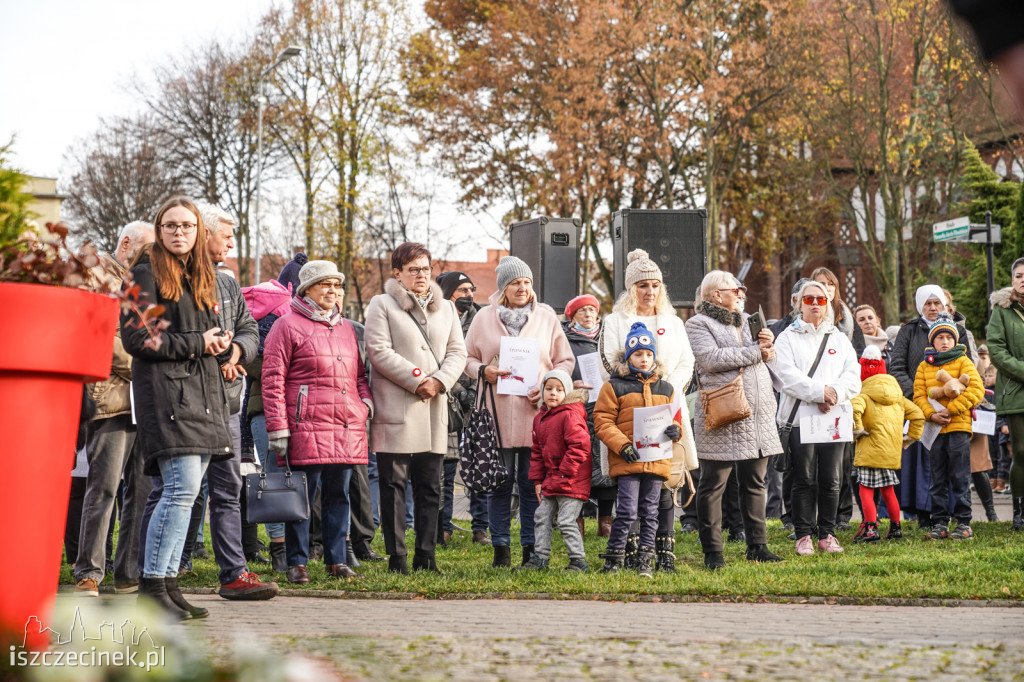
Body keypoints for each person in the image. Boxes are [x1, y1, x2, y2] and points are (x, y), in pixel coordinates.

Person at [122, 196, 239, 619]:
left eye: (186, 226)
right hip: (167, 397)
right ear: (160, 228)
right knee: (179, 491)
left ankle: (167, 585)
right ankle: (152, 587)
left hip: (202, 396)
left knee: (186, 496)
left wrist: (219, 342)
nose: (178, 233)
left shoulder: (198, 276)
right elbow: (140, 339)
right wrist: (198, 342)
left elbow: (197, 333)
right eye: (170, 225)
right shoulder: (142, 273)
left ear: (198, 232)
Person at [263, 261, 372, 583]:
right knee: (300, 497)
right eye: (325, 284)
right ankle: (297, 562)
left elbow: (360, 376)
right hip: (305, 426)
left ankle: (336, 560)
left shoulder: (347, 328)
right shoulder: (286, 325)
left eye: (336, 286)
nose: (332, 291)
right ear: (306, 288)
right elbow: (272, 379)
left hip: (346, 426)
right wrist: (279, 427)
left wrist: (364, 404)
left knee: (340, 495)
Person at [465, 255, 574, 568]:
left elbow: (565, 361)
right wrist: (483, 370)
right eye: (515, 283)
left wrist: (549, 383)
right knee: (499, 484)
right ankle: (501, 549)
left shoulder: (547, 318)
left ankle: (531, 549)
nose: (522, 288)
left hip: (535, 415)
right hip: (495, 416)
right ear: (503, 288)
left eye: (526, 282)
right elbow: (466, 357)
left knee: (531, 484)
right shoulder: (483, 318)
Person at [365, 243, 468, 574]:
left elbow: (458, 352)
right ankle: (397, 558)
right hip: (398, 407)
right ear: (398, 273)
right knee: (393, 487)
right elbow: (379, 351)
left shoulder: (447, 310)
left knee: (430, 486)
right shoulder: (381, 305)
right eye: (414, 269)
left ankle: (426, 555)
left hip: (433, 406)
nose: (422, 275)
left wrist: (439, 382)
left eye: (426, 269)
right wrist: (418, 379)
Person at [598, 249, 696, 567]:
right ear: (632, 288)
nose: (649, 292)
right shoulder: (615, 322)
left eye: (655, 285)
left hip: (666, 406)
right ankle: (630, 550)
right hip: (629, 411)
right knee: (631, 486)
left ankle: (662, 551)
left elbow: (686, 362)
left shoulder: (673, 322)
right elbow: (608, 361)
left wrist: (667, 388)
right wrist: (639, 380)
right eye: (643, 285)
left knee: (664, 480)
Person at [74, 221, 155, 597]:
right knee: (103, 488)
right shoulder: (94, 278)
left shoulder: (144, 286)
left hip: (147, 401)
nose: (154, 258)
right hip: (112, 398)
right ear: (126, 243)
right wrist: (146, 363)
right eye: (148, 250)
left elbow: (159, 335)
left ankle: (128, 572)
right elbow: (99, 337)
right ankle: (89, 571)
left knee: (141, 490)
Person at [686, 271, 783, 571]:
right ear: (717, 295)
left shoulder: (749, 322)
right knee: (713, 484)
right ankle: (713, 552)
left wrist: (768, 347)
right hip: (724, 414)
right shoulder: (697, 323)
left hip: (758, 417)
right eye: (736, 289)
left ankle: (758, 546)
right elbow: (710, 359)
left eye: (742, 290)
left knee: (755, 482)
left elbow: (766, 362)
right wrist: (756, 351)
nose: (742, 294)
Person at [775, 279, 861, 556]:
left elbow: (853, 375)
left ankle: (828, 533)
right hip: (801, 419)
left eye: (820, 300)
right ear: (799, 304)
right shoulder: (787, 337)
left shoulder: (838, 338)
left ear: (828, 305)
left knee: (832, 478)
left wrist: (833, 393)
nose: (815, 304)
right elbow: (785, 375)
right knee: (804, 478)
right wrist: (820, 393)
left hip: (833, 419)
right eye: (809, 299)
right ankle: (803, 534)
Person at [594, 322, 682, 577]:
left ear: (654, 356)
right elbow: (602, 420)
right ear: (628, 356)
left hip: (656, 460)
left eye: (648, 354)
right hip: (627, 459)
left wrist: (676, 431)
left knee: (650, 510)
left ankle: (646, 557)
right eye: (638, 354)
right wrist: (622, 445)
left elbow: (674, 420)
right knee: (626, 510)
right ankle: (614, 558)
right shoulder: (614, 386)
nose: (644, 359)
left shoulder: (666, 388)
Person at [888, 285, 974, 530]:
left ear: (945, 304)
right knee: (925, 466)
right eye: (928, 303)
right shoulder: (909, 331)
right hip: (921, 408)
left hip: (954, 413)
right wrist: (922, 401)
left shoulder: (958, 331)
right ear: (920, 306)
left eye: (937, 303)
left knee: (955, 467)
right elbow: (897, 369)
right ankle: (928, 516)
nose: (933, 307)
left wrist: (952, 406)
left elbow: (968, 370)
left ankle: (959, 517)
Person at [913, 313, 983, 540]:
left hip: (958, 427)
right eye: (939, 337)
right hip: (935, 431)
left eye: (948, 337)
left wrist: (951, 410)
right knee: (938, 477)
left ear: (955, 340)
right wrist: (931, 415)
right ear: (932, 341)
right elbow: (919, 397)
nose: (944, 341)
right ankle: (940, 522)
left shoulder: (963, 361)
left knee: (960, 477)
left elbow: (976, 391)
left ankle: (964, 523)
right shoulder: (924, 366)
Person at [434, 270, 490, 545]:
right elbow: (437, 360)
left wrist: (474, 390)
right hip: (447, 404)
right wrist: (458, 390)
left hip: (478, 403)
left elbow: (490, 356)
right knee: (446, 470)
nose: (469, 295)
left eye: (471, 290)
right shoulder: (437, 321)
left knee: (480, 468)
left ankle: (481, 528)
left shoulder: (482, 321)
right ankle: (443, 527)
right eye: (463, 290)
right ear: (448, 293)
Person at [850, 345, 924, 542]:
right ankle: (895, 528)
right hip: (891, 452)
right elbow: (917, 414)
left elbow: (854, 409)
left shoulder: (863, 394)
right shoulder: (897, 396)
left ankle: (871, 528)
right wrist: (911, 437)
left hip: (868, 449)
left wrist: (857, 430)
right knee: (888, 490)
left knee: (865, 489)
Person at [520, 370, 591, 571]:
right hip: (551, 480)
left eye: (559, 390)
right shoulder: (540, 419)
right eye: (549, 388)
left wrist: (565, 472)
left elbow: (580, 446)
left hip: (571, 480)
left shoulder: (570, 415)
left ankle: (578, 561)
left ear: (566, 392)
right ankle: (540, 558)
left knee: (566, 520)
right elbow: (536, 452)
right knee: (541, 516)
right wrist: (537, 480)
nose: (553, 393)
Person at [561, 294, 615, 538]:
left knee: (606, 462)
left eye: (591, 310)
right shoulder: (563, 340)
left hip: (607, 405)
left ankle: (606, 519)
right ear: (572, 316)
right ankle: (578, 520)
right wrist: (572, 384)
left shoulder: (609, 336)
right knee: (579, 461)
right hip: (578, 406)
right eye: (581, 311)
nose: (588, 315)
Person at [986, 259, 1024, 529]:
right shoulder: (1002, 311)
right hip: (1015, 392)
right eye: (1019, 275)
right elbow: (996, 351)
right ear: (1013, 280)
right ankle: (1019, 512)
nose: (1023, 280)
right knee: (1021, 453)